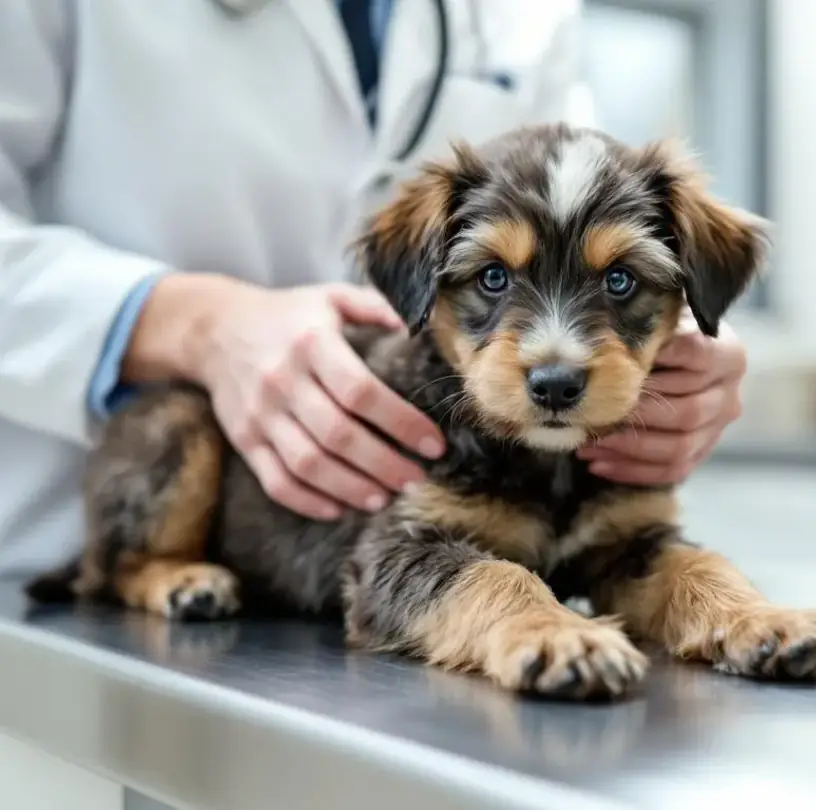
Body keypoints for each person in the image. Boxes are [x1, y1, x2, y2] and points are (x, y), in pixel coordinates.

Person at [0, 0, 748, 578]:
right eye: (494, 275)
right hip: (54, 540)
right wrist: (186, 324)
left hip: (452, 551)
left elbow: (590, 189)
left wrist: (687, 345)